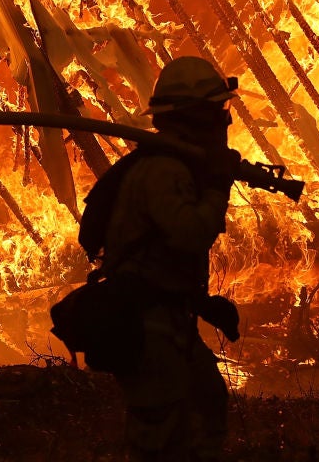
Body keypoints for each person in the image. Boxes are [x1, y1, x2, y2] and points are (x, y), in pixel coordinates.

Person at [99, 56, 239, 462]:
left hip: (169, 318)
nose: (224, 123)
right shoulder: (162, 170)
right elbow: (189, 233)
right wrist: (216, 187)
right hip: (148, 324)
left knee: (207, 404)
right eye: (217, 111)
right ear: (192, 117)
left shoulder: (174, 166)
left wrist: (200, 304)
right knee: (158, 434)